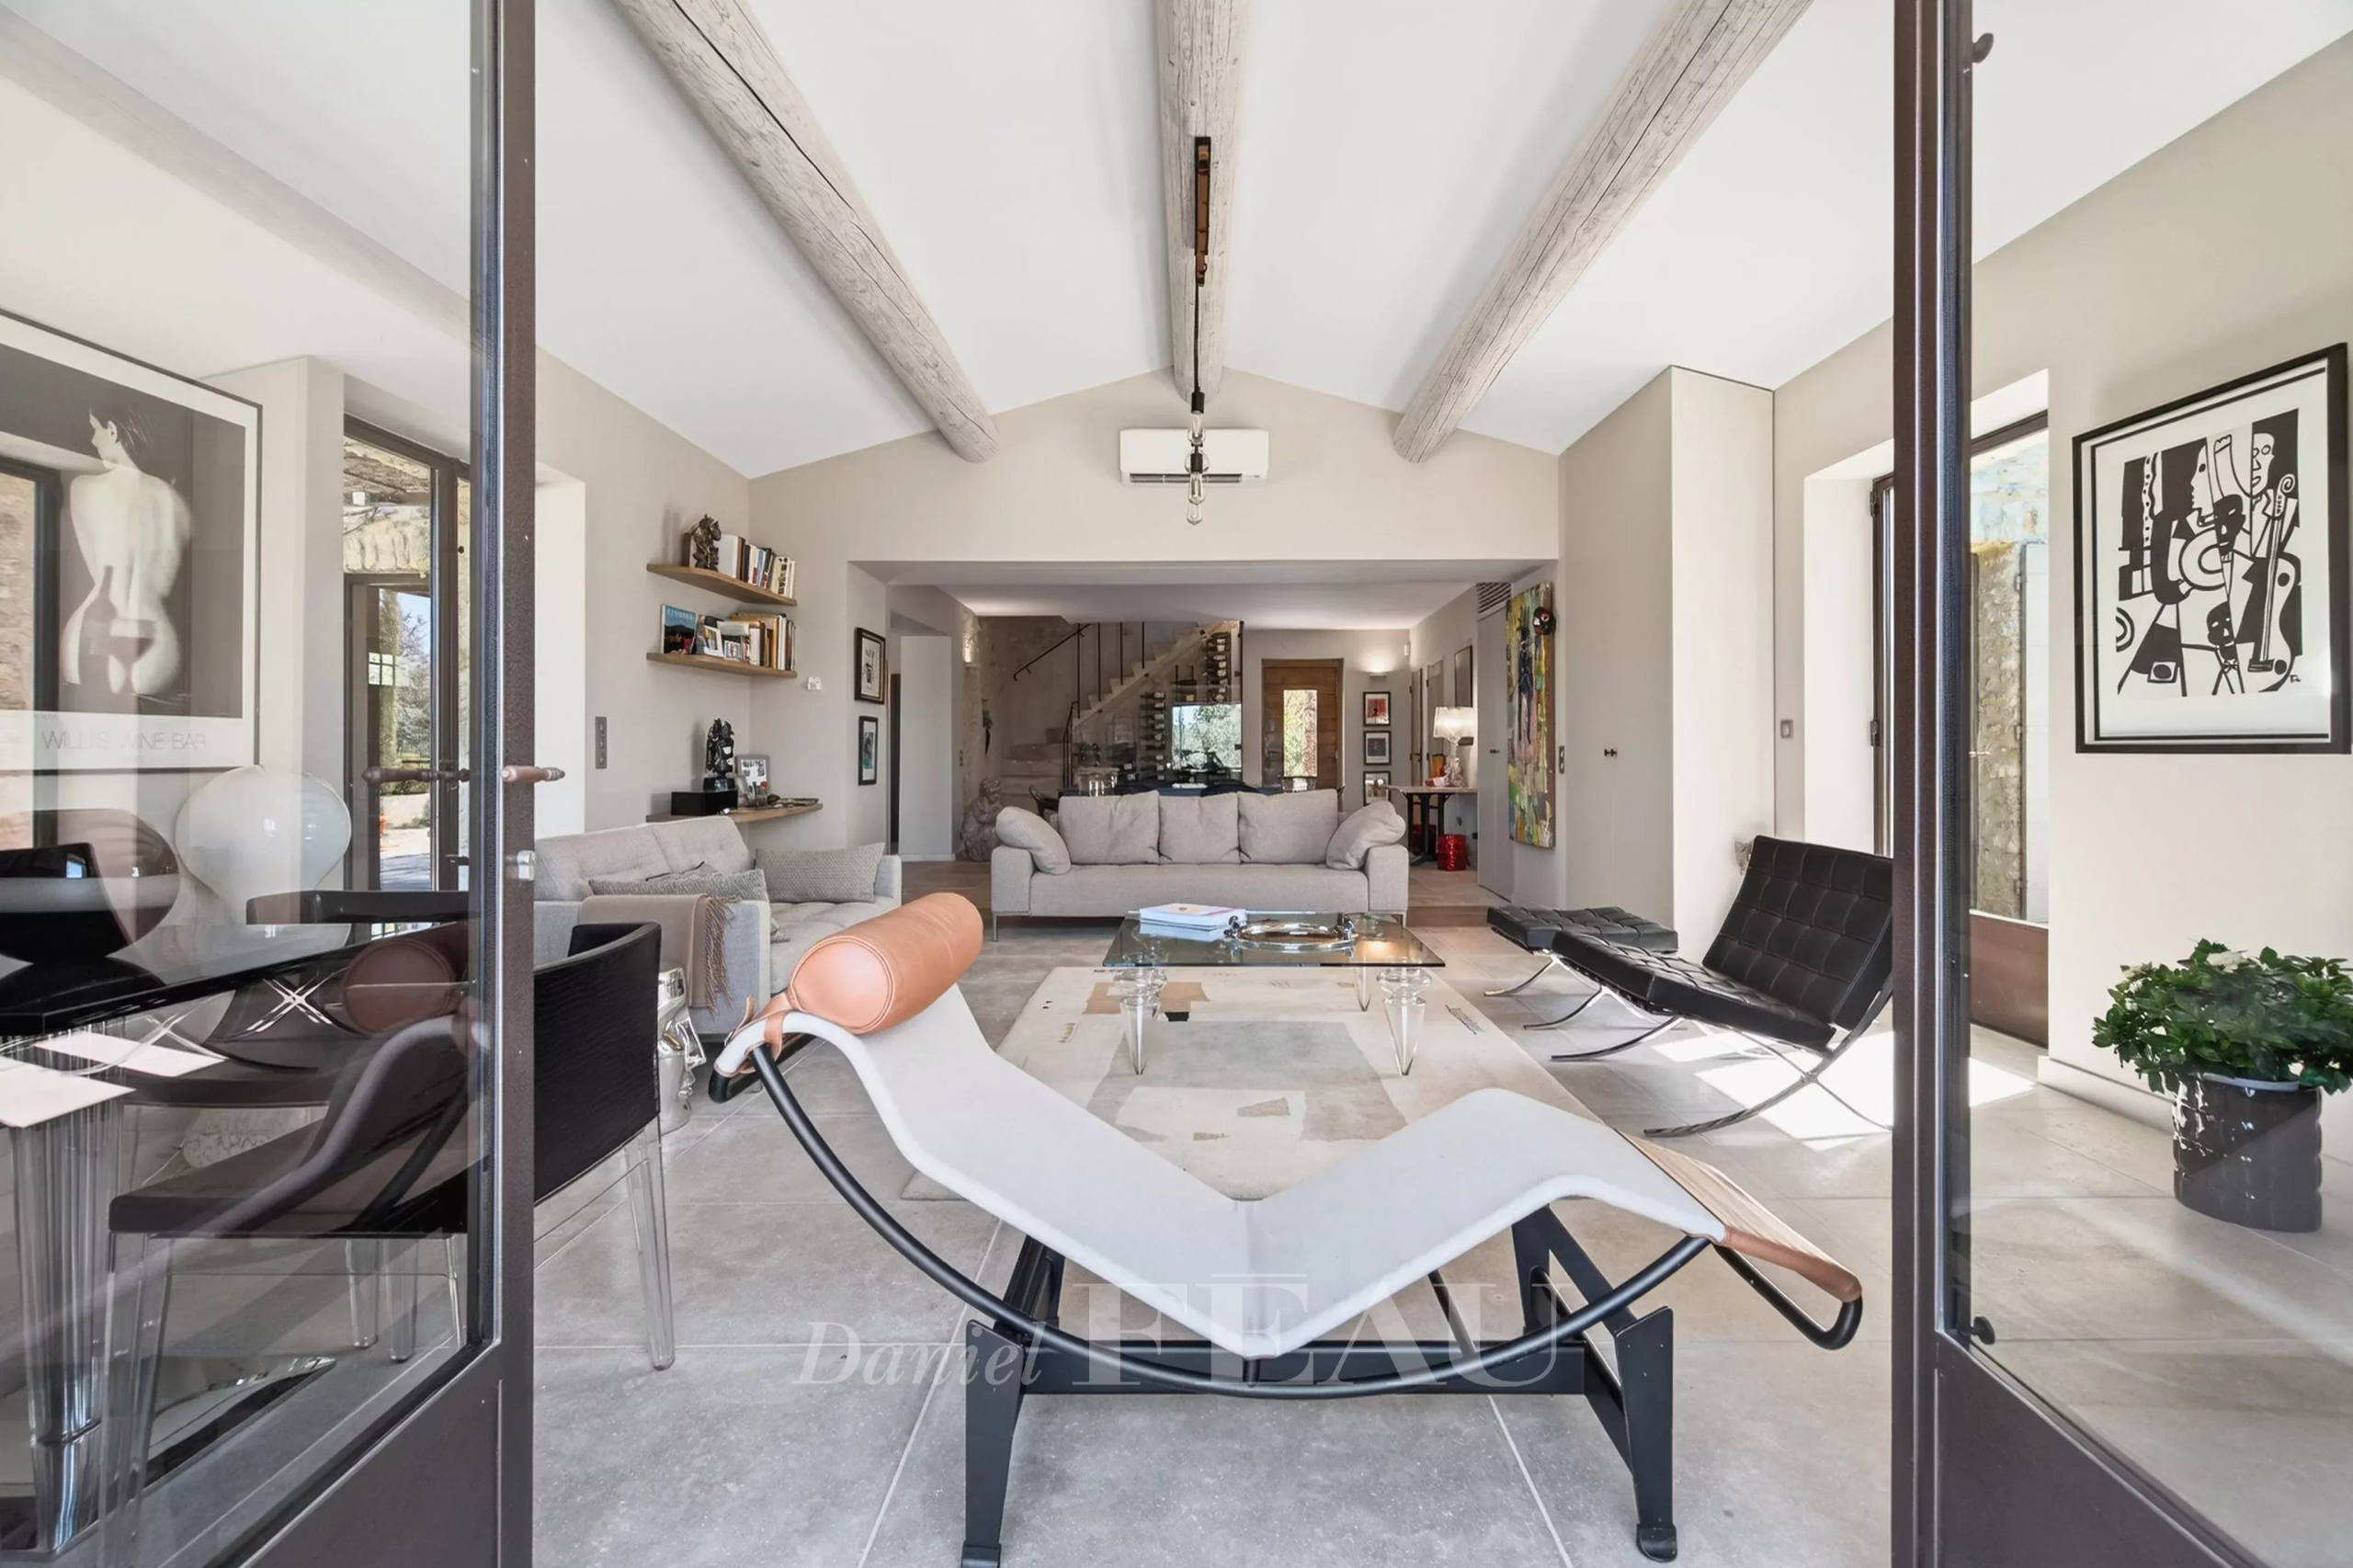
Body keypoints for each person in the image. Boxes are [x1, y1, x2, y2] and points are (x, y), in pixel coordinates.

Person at [62, 409, 189, 698]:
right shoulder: (176, 502)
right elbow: (167, 581)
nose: (93, 440)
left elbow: (97, 571)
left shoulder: (83, 488)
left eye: (95, 429)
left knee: (88, 736)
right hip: (157, 636)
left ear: (113, 430)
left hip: (98, 627)